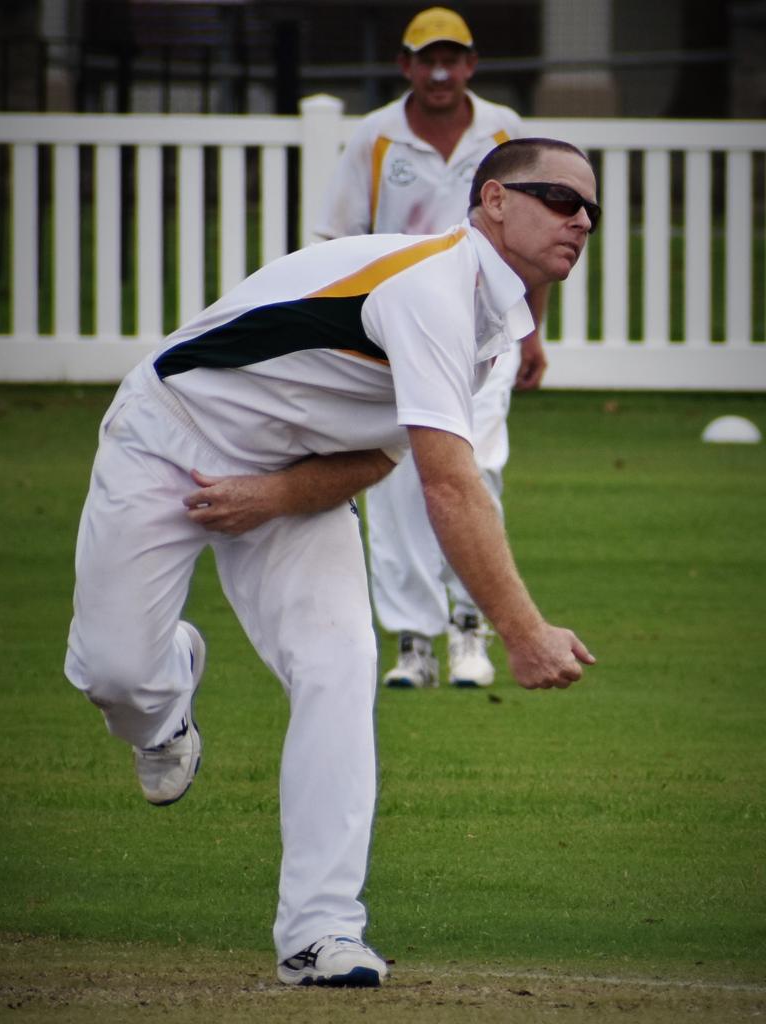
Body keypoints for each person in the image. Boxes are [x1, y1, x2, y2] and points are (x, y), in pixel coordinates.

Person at [64, 137, 599, 988]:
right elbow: (450, 487)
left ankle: (320, 932)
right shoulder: (430, 286)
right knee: (116, 673)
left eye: (592, 212)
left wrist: (271, 498)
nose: (581, 220)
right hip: (166, 438)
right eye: (562, 200)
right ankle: (165, 693)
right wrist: (523, 633)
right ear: (494, 199)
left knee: (341, 669)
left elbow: (382, 457)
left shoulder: (496, 333)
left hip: (294, 483)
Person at [317, 7, 550, 689]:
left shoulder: (504, 132)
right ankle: (414, 639)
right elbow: (340, 242)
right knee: (390, 473)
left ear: (472, 64)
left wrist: (533, 330)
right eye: (428, 59)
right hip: (394, 335)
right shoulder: (376, 137)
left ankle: (469, 630)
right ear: (406, 66)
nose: (441, 72)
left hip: (488, 331)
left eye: (453, 58)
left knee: (474, 466)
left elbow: (534, 242)